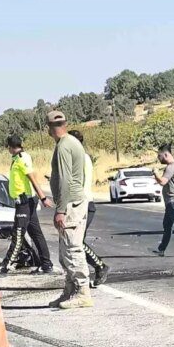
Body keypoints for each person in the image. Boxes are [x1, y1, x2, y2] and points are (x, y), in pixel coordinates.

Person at [47, 111, 93, 309]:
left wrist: (60, 209)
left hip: (71, 204)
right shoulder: (72, 143)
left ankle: (82, 292)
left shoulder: (65, 146)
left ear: (49, 127)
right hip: (74, 201)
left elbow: (66, 179)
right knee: (65, 251)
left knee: (72, 249)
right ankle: (70, 290)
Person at [0, 135, 54, 274]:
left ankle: (6, 265)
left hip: (25, 202)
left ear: (10, 147)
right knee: (35, 233)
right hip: (23, 201)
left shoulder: (22, 159)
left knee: (18, 233)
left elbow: (32, 179)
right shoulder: (16, 158)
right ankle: (46, 263)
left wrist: (43, 197)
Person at [68, 130, 110, 287]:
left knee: (77, 241)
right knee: (76, 241)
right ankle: (91, 269)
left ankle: (100, 266)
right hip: (82, 202)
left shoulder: (80, 158)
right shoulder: (80, 157)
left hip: (83, 203)